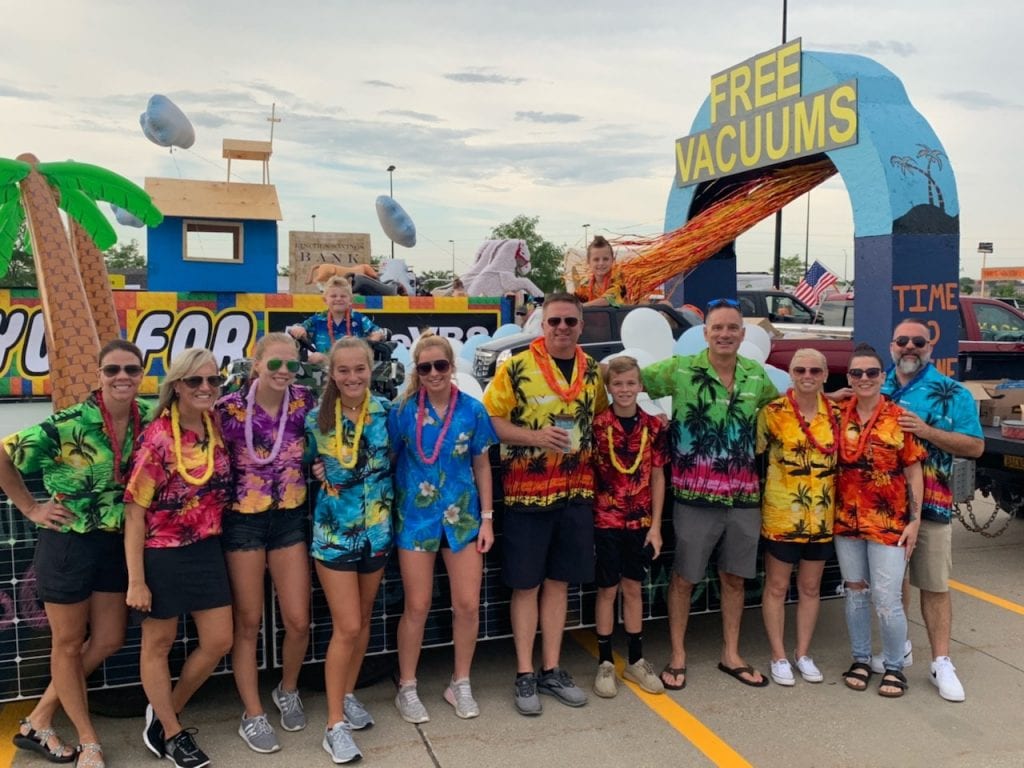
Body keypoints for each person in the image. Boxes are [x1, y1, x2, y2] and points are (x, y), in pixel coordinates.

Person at [2, 340, 153, 768]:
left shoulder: (149, 419)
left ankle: (38, 718)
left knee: (108, 638)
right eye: (112, 370)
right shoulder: (70, 423)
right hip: (68, 542)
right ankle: (88, 739)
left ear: (142, 373)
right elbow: (3, 453)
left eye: (131, 369)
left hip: (116, 542)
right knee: (67, 644)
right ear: (99, 375)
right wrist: (30, 507)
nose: (122, 377)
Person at [641, 297, 778, 690]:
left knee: (734, 578)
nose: (724, 334)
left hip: (744, 497)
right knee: (685, 578)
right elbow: (627, 380)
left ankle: (730, 653)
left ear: (742, 333)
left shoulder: (757, 376)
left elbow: (782, 412)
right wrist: (654, 415)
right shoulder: (682, 369)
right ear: (705, 333)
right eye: (717, 327)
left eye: (732, 327)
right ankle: (678, 655)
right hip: (694, 496)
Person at [483, 292, 608, 716]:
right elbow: (491, 420)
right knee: (526, 584)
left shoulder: (593, 371)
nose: (562, 328)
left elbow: (600, 418)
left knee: (559, 584)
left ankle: (551, 669)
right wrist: (535, 437)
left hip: (576, 492)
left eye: (570, 322)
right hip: (528, 493)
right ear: (542, 324)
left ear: (581, 325)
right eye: (555, 321)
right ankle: (524, 673)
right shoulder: (515, 367)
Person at [124, 348, 234, 768]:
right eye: (195, 381)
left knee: (219, 640)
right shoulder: (158, 438)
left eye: (212, 380)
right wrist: (137, 580)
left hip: (206, 547)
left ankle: (164, 711)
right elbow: (134, 512)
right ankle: (172, 733)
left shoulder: (216, 425)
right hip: (162, 552)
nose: (205, 388)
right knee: (159, 642)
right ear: (177, 386)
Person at [215, 333, 317, 753]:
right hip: (243, 523)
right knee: (248, 623)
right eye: (274, 364)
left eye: (291, 365)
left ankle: (287, 689)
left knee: (297, 620)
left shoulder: (305, 402)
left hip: (289, 518)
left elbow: (330, 438)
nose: (283, 372)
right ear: (255, 364)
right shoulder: (227, 410)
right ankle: (252, 713)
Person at [388, 334, 497, 722]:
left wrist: (487, 518)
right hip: (416, 520)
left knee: (467, 604)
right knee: (417, 605)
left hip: (463, 518)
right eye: (425, 366)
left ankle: (461, 681)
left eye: (441, 365)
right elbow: (388, 458)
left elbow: (482, 465)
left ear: (452, 366)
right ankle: (407, 685)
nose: (433, 373)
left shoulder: (472, 410)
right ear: (416, 371)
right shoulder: (401, 411)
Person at [882, 320, 984, 702]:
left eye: (918, 341)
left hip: (934, 507)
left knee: (934, 585)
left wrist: (927, 431)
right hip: (884, 509)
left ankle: (941, 660)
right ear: (891, 345)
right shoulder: (879, 385)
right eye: (902, 340)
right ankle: (899, 646)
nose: (910, 347)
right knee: (893, 586)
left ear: (930, 346)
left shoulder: (951, 391)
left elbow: (974, 447)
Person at [306, 337, 393, 764]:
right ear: (332, 374)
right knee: (347, 625)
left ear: (371, 368)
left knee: (361, 625)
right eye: (343, 370)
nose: (352, 377)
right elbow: (299, 463)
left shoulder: (386, 413)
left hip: (376, 531)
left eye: (359, 369)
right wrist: (314, 466)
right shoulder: (314, 420)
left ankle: (348, 692)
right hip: (335, 535)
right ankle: (334, 724)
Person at [835, 343, 926, 699]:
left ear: (882, 376)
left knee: (887, 599)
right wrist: (831, 391)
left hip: (889, 523)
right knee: (855, 594)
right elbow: (801, 396)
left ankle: (893, 665)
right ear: (849, 378)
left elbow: (914, 471)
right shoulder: (838, 414)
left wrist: (915, 520)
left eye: (871, 372)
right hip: (846, 521)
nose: (864, 379)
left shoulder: (898, 418)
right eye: (857, 373)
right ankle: (860, 658)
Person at [756, 348, 838, 687]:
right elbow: (755, 456)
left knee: (810, 587)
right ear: (789, 373)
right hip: (781, 516)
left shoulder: (835, 413)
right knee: (776, 586)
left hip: (822, 517)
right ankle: (778, 655)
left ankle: (803, 653)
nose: (807, 376)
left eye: (815, 371)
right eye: (800, 369)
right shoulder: (772, 412)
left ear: (824, 375)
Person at [590, 356, 667, 698]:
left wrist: (656, 526)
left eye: (630, 383)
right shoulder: (596, 426)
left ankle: (636, 660)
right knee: (607, 590)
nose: (624, 390)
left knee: (633, 588)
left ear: (639, 385)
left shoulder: (653, 426)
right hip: (605, 519)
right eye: (617, 384)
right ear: (609, 387)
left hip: (639, 520)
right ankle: (605, 662)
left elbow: (657, 476)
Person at [288, 276, 385, 365]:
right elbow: (298, 327)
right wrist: (298, 329)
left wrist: (373, 338)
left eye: (343, 296)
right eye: (333, 296)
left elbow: (379, 332)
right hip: (324, 366)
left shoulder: (359, 318)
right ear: (325, 300)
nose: (338, 299)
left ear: (350, 300)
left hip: (352, 365)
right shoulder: (318, 319)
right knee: (315, 359)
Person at [572, 236, 628, 307]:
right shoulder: (585, 288)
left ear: (613, 260)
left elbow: (609, 300)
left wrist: (581, 307)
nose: (601, 263)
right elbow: (572, 302)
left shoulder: (620, 281)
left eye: (605, 259)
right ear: (588, 262)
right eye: (596, 259)